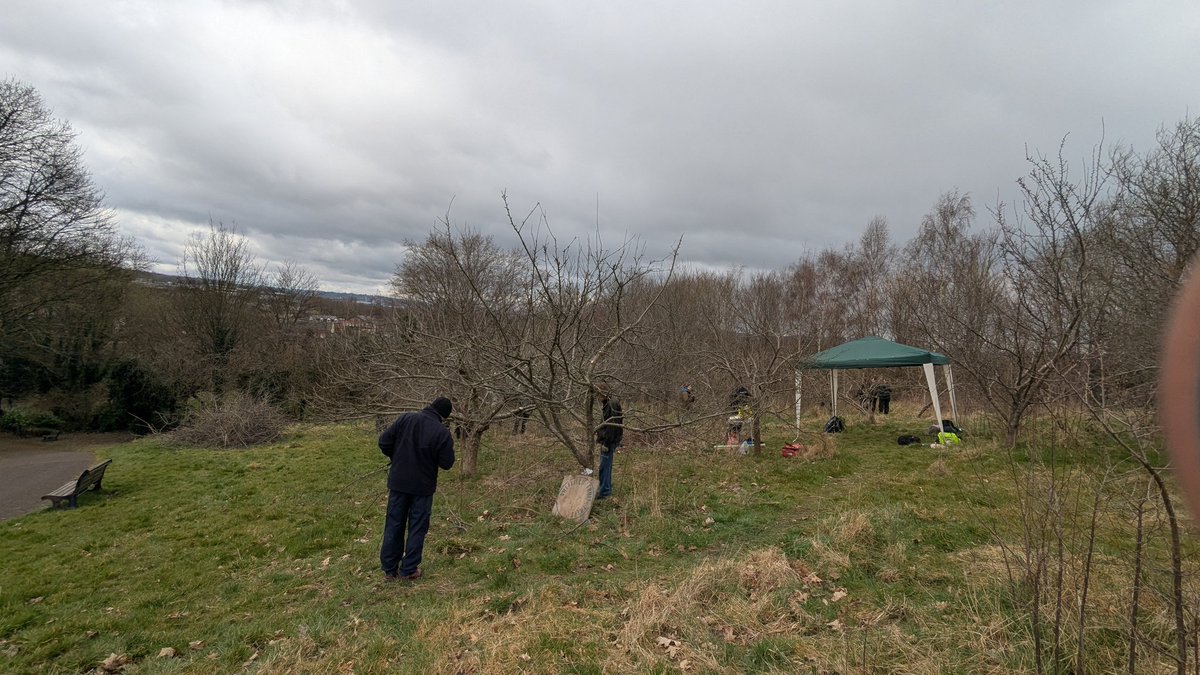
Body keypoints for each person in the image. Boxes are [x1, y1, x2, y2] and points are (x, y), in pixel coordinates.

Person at [378, 396, 455, 582]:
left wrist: (397, 456)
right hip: (423, 486)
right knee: (417, 527)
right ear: (444, 416)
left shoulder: (406, 419)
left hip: (398, 482)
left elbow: (384, 442)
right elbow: (447, 463)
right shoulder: (441, 433)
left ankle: (389, 569)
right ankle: (409, 569)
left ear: (430, 406)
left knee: (394, 524)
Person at [595, 390, 623, 500]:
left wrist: (606, 443)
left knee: (604, 466)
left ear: (602, 393)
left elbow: (611, 426)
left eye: (598, 395)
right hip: (611, 439)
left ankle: (604, 492)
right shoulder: (611, 402)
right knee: (607, 465)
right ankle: (606, 488)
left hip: (609, 440)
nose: (597, 398)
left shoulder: (611, 404)